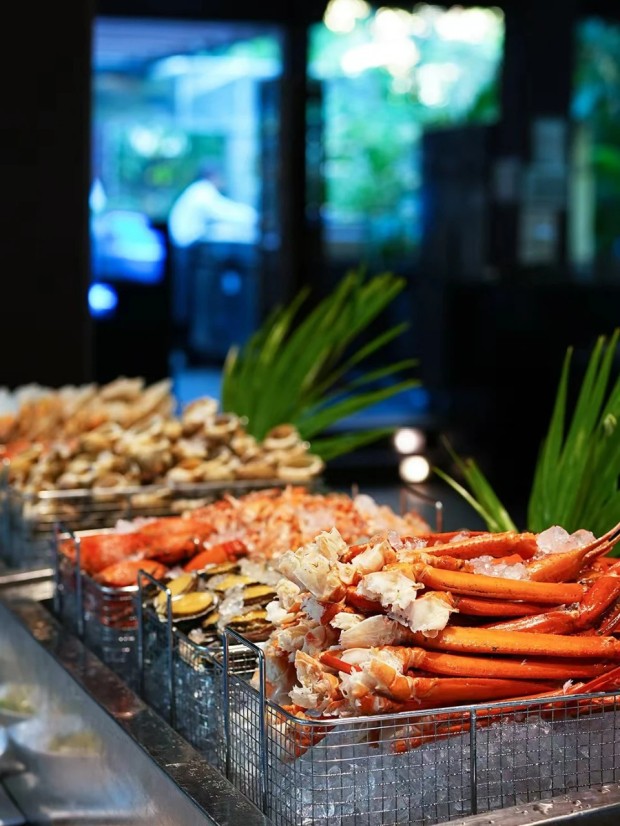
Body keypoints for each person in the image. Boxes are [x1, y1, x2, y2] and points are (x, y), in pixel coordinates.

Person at [168, 165, 259, 360]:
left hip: (187, 251)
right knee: (190, 302)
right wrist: (257, 216)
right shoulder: (202, 192)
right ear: (213, 176)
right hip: (187, 251)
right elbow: (225, 211)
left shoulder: (198, 192)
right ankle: (197, 347)